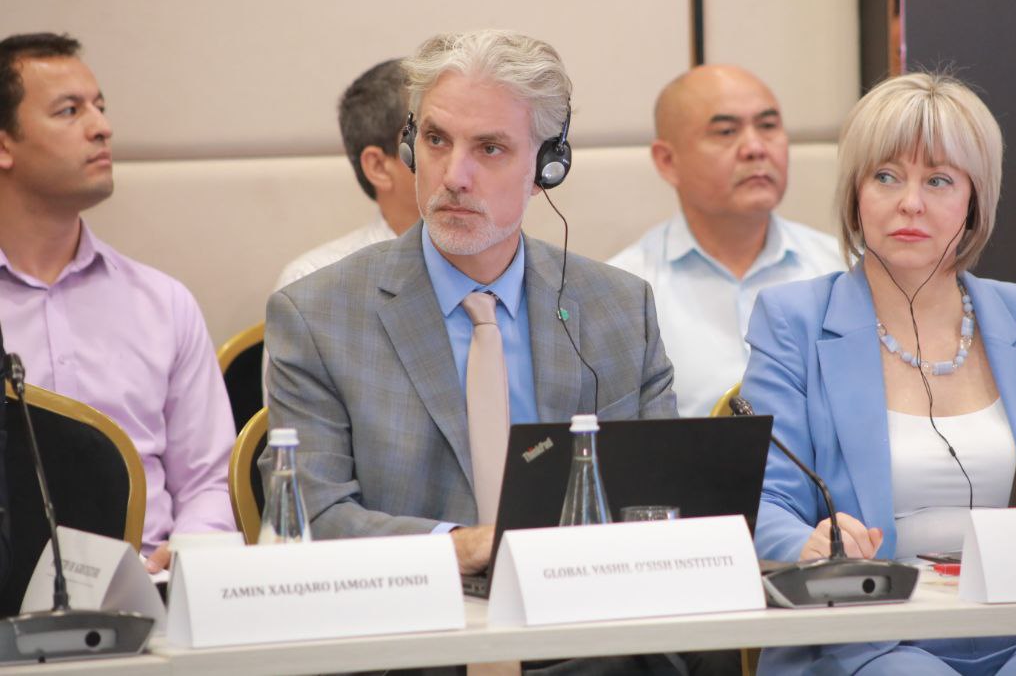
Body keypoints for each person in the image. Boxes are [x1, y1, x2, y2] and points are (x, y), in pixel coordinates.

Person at [745, 72, 1016, 675]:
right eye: (886, 176)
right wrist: (808, 543)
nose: (910, 202)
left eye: (939, 180)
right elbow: (763, 500)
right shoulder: (792, 321)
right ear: (854, 195)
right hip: (869, 636)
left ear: (975, 202)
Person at [264, 29, 677, 575]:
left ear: (546, 169)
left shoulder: (621, 309)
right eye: (436, 140)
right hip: (415, 614)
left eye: (490, 148)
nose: (454, 177)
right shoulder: (317, 316)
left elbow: (664, 499)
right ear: (410, 147)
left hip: (585, 608)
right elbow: (309, 516)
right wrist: (460, 548)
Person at [0, 33, 236, 572]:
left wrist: (186, 553)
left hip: (152, 590)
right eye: (69, 111)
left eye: (100, 107)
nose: (101, 127)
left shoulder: (161, 303)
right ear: (5, 146)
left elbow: (210, 481)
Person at [609, 65, 845, 416]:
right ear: (668, 161)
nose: (755, 148)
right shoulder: (624, 293)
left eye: (768, 126)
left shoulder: (844, 270)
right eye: (726, 131)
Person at [273, 58, 419, 290]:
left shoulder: (481, 264)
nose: (458, 158)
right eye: (434, 138)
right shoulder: (313, 284)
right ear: (379, 167)